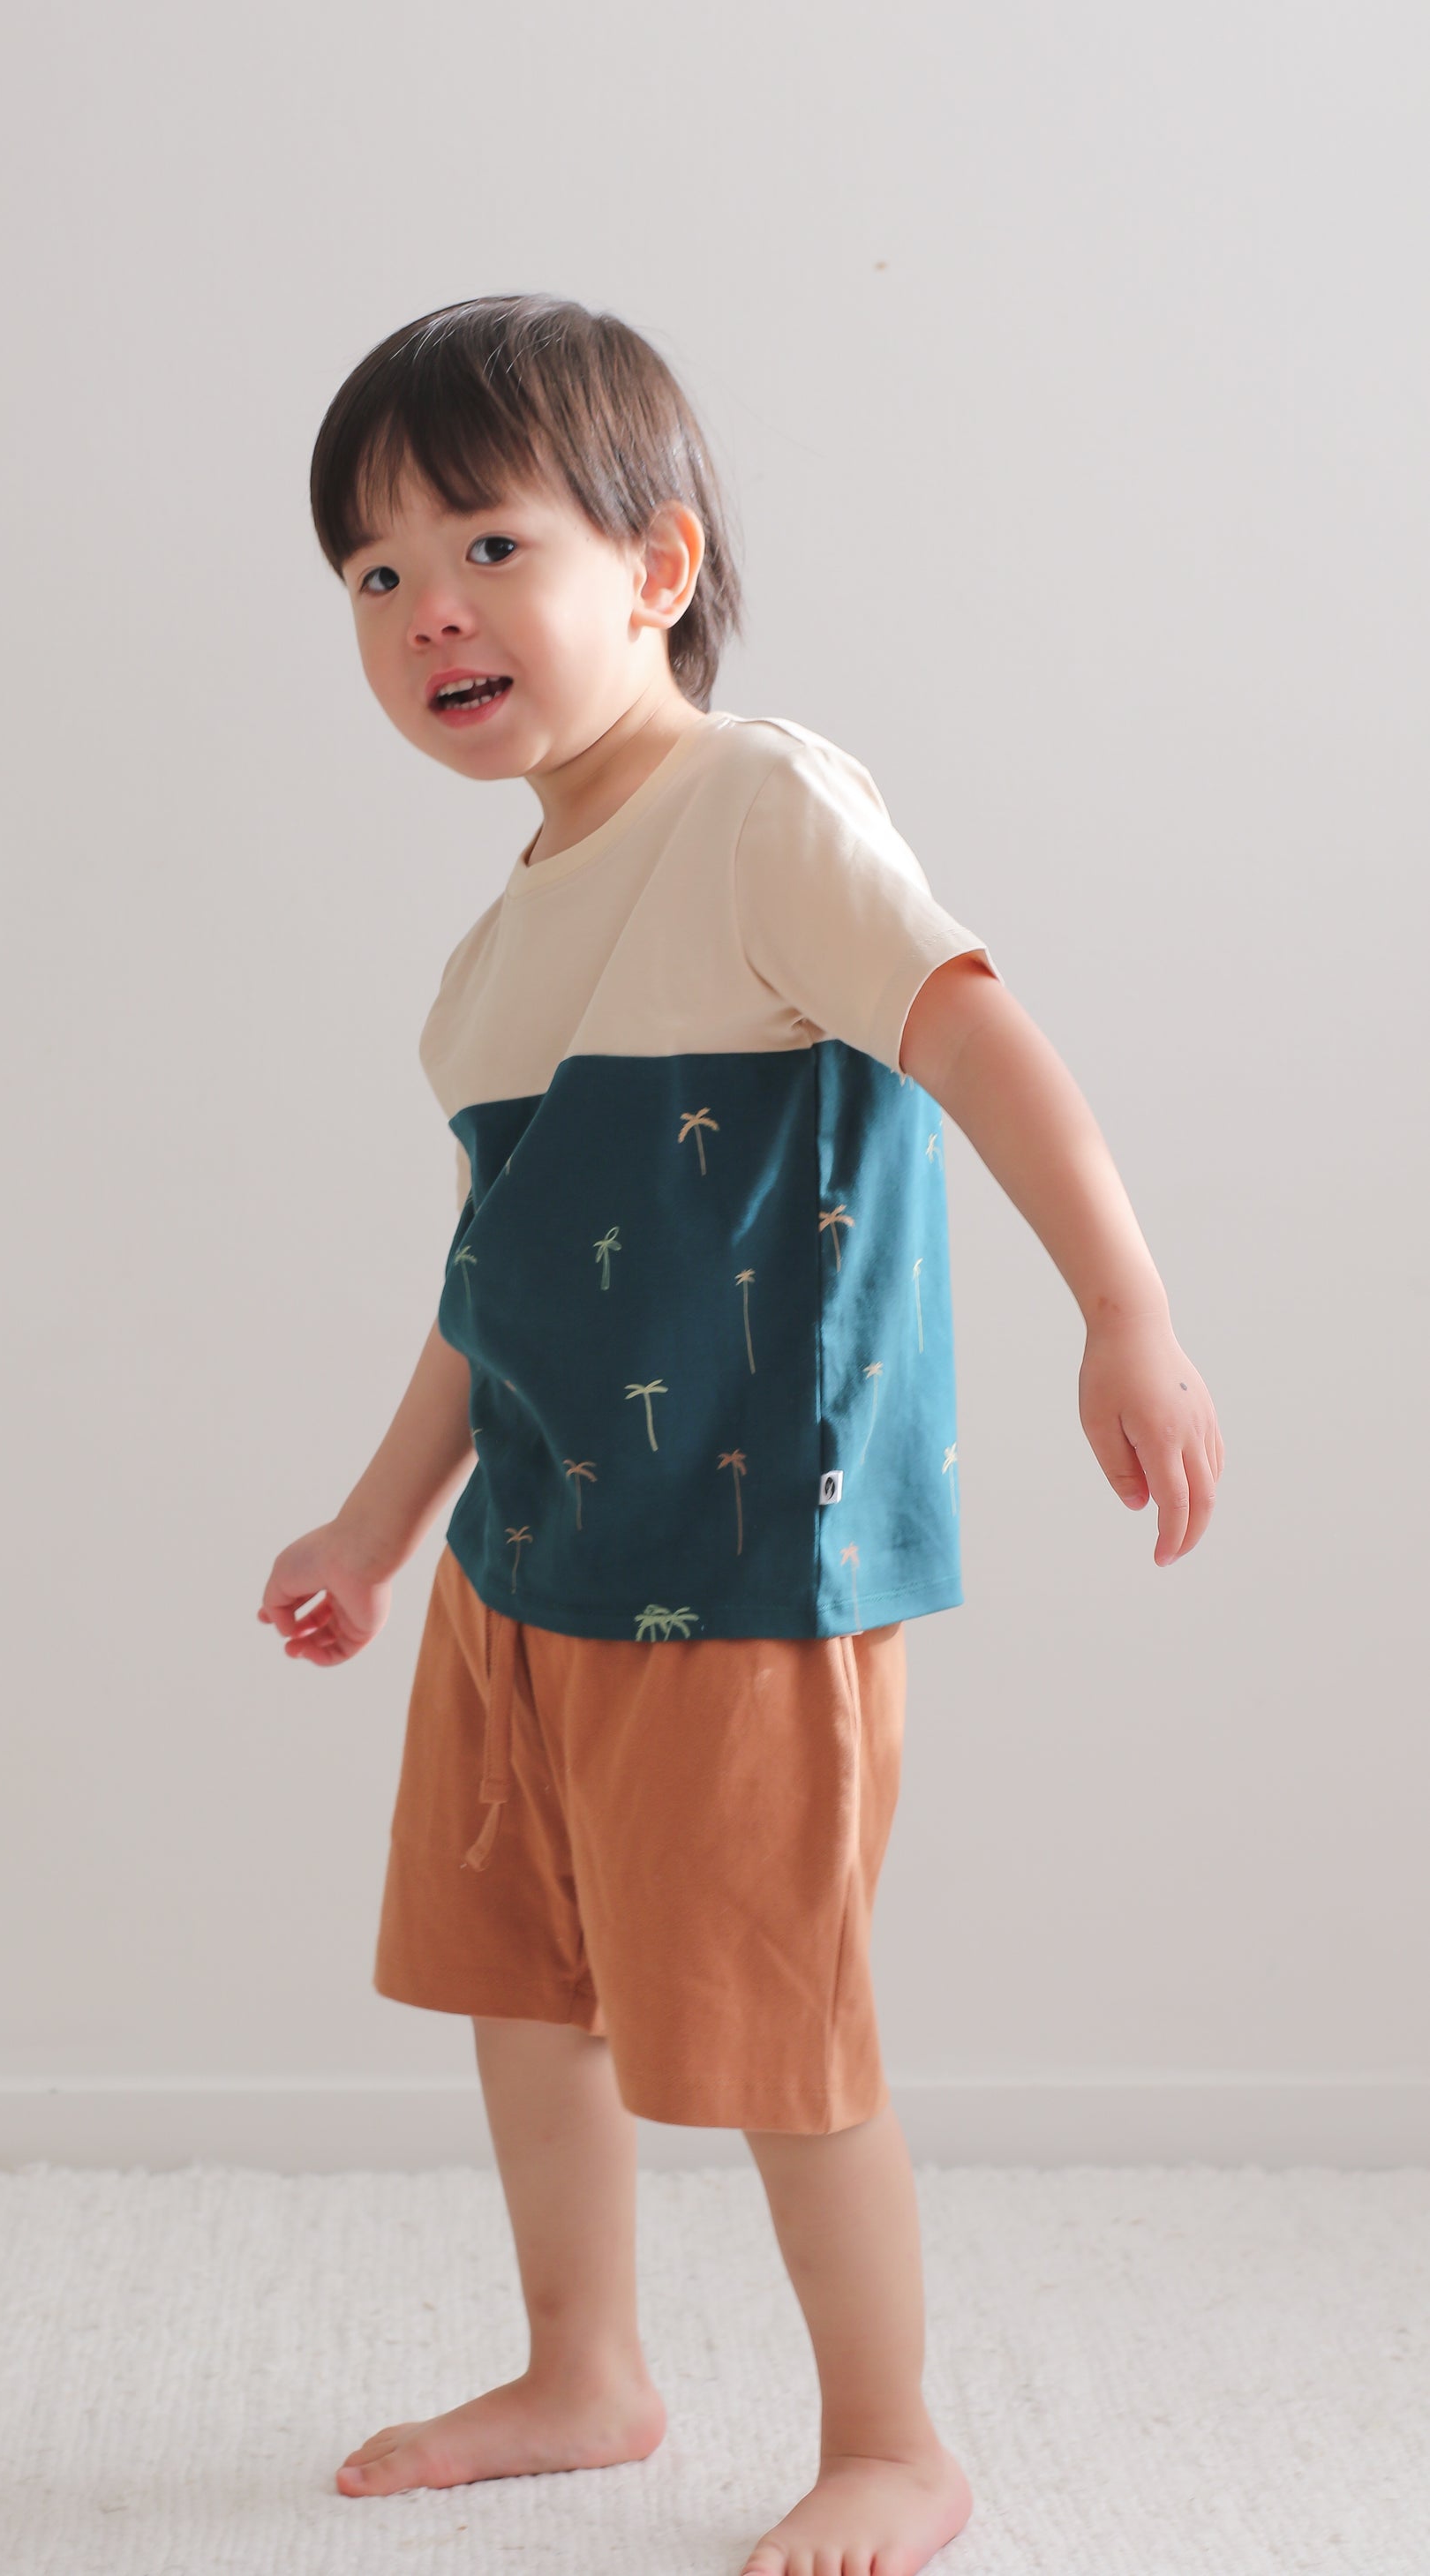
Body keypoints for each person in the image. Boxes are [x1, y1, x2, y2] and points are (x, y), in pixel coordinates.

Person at [257, 295, 1223, 2576]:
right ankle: (582, 2367)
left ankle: (890, 2435)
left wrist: (1124, 1307)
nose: (426, 614)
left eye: (482, 543)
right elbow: (491, 1286)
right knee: (516, 1979)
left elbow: (978, 1032)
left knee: (779, 2022)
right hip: (528, 1565)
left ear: (655, 566)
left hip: (743, 1561)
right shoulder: (497, 953)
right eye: (372, 579)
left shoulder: (758, 810)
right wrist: (380, 1524)